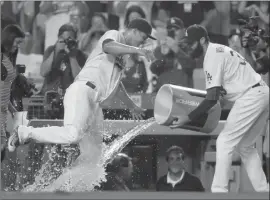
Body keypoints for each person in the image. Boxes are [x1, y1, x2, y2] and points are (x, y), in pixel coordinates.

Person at [7, 18, 155, 190]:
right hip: (83, 91)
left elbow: (117, 83)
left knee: (93, 158)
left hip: (94, 102)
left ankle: (58, 188)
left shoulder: (124, 53)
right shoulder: (115, 35)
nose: (143, 42)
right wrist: (139, 50)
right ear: (134, 31)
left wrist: (131, 105)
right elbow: (108, 46)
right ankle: (24, 132)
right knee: (73, 135)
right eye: (143, 37)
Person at [171, 24, 269, 193]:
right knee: (245, 146)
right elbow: (219, 97)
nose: (189, 47)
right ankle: (263, 191)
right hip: (261, 93)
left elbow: (211, 99)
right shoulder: (218, 50)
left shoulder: (212, 56)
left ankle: (219, 192)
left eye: (192, 43)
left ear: (202, 40)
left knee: (224, 142)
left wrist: (188, 118)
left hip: (251, 96)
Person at [1, 16, 25, 162]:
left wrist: (12, 110)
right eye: (18, 42)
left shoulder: (8, 57)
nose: (18, 46)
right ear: (9, 39)